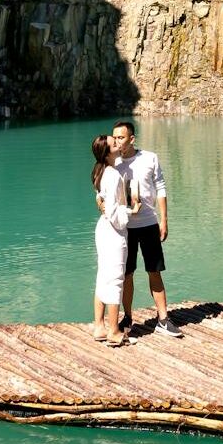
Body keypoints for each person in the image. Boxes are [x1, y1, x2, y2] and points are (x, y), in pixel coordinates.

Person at [111, 120, 182, 338]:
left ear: (132, 139)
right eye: (114, 138)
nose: (117, 142)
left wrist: (164, 220)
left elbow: (160, 187)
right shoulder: (113, 164)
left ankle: (163, 319)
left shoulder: (150, 158)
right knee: (127, 273)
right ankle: (128, 317)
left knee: (155, 270)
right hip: (125, 227)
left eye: (121, 137)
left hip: (149, 223)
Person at [91, 134, 133, 347]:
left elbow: (102, 201)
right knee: (116, 279)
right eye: (113, 143)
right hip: (112, 232)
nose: (118, 142)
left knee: (103, 275)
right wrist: (132, 211)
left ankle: (99, 326)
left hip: (102, 229)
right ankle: (114, 331)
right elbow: (116, 216)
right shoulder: (114, 175)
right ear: (107, 153)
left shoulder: (100, 171)